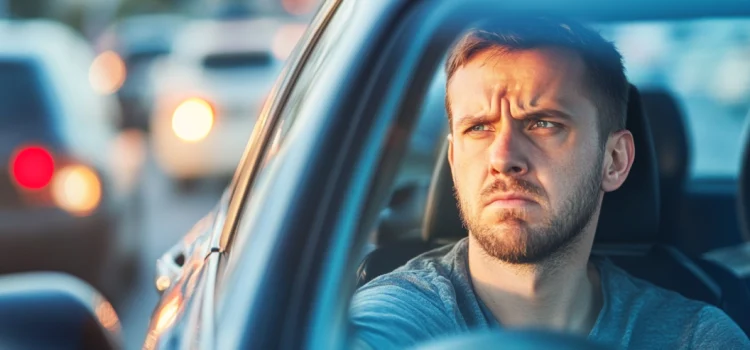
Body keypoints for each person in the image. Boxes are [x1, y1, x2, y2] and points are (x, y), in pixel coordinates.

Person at [349, 17, 750, 349]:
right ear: (453, 160)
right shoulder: (393, 318)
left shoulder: (694, 338)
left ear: (615, 160)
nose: (503, 158)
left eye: (543, 124)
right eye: (479, 128)